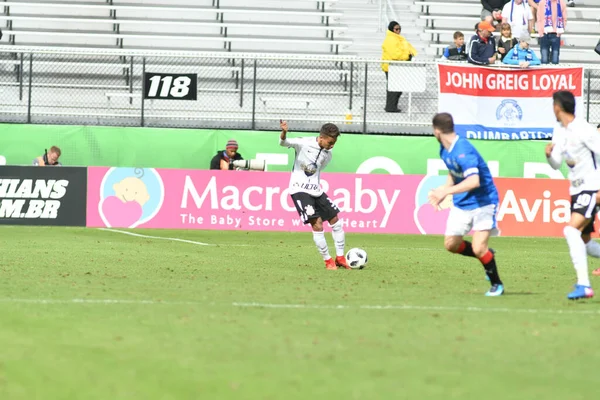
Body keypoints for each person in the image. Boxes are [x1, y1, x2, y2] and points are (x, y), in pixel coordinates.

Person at [428, 113, 504, 296]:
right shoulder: (444, 149)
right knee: (451, 245)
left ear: (436, 131)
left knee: (478, 247)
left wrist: (446, 192)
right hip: (462, 203)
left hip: (484, 201)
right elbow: (453, 171)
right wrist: (445, 188)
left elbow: (474, 181)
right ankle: (487, 256)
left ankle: (497, 284)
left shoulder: (463, 150)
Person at [545, 91, 600, 300]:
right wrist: (549, 156)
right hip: (575, 190)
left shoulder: (584, 130)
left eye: (553, 105)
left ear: (558, 107)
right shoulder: (559, 132)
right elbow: (557, 163)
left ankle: (584, 285)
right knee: (584, 242)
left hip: (591, 187)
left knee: (570, 230)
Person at [279, 120, 350, 270]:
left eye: (334, 142)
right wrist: (284, 132)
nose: (332, 145)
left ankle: (340, 257)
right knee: (317, 223)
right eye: (330, 142)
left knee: (336, 221)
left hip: (316, 190)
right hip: (299, 190)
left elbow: (318, 169)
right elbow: (283, 143)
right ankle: (328, 261)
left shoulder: (327, 155)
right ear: (322, 137)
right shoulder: (303, 143)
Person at [381, 21, 417, 113]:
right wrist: (407, 56)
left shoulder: (399, 38)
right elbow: (395, 54)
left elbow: (409, 48)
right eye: (396, 29)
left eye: (399, 29)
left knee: (398, 88)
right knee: (394, 88)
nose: (398, 31)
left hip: (397, 67)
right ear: (391, 29)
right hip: (391, 67)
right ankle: (390, 107)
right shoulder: (390, 39)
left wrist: (410, 54)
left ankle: (392, 106)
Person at [537, 0, 567, 65]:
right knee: (544, 58)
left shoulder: (561, 3)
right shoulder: (542, 3)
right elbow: (539, 18)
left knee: (555, 58)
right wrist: (540, 32)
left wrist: (560, 32)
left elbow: (564, 19)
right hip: (544, 33)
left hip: (556, 34)